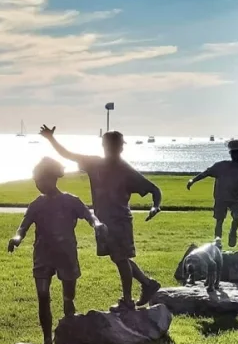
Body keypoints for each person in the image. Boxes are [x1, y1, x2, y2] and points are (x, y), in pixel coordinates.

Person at [39, 125, 162, 311]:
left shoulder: (126, 170)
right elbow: (68, 154)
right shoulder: (94, 163)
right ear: (104, 146)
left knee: (121, 259)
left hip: (120, 221)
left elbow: (154, 189)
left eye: (115, 146)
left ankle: (128, 301)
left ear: (121, 148)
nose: (112, 149)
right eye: (108, 146)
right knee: (119, 258)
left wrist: (156, 206)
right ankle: (147, 283)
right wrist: (51, 139)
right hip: (104, 222)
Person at [8, 157, 107, 344]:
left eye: (39, 180)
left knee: (68, 296)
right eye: (35, 181)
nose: (37, 185)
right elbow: (23, 227)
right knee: (43, 297)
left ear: (51, 178)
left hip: (66, 254)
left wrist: (97, 224)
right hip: (43, 255)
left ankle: (69, 321)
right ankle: (47, 341)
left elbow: (90, 216)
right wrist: (17, 238)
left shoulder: (71, 201)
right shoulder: (36, 204)